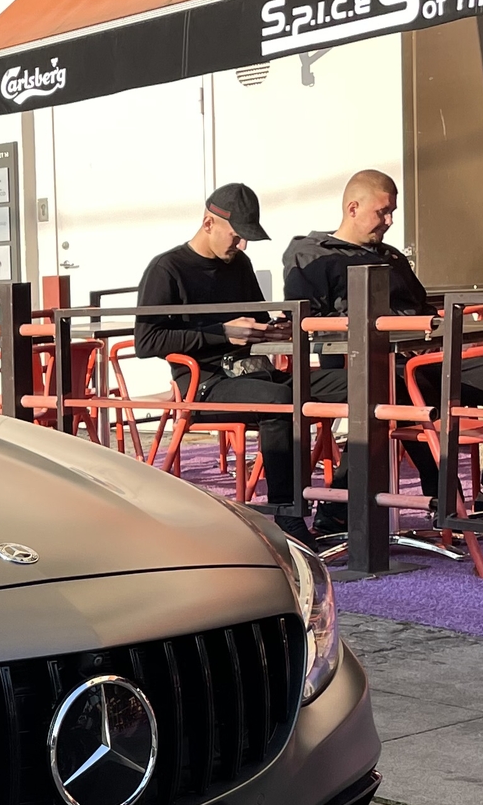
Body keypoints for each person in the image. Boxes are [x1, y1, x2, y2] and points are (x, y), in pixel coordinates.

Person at [283, 170, 483, 512]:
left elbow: (423, 309)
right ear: (353, 208)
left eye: (392, 213)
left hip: (428, 355)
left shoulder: (392, 256)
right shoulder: (313, 256)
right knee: (408, 394)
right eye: (382, 212)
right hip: (372, 363)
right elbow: (310, 323)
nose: (388, 221)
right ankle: (432, 502)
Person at [135, 183, 347, 543]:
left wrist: (274, 331)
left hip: (254, 373)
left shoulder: (240, 264)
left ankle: (344, 505)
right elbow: (147, 341)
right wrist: (221, 333)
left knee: (359, 381)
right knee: (281, 404)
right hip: (203, 383)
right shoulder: (167, 268)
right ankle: (287, 515)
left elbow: (255, 320)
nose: (242, 245)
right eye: (236, 236)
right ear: (207, 223)